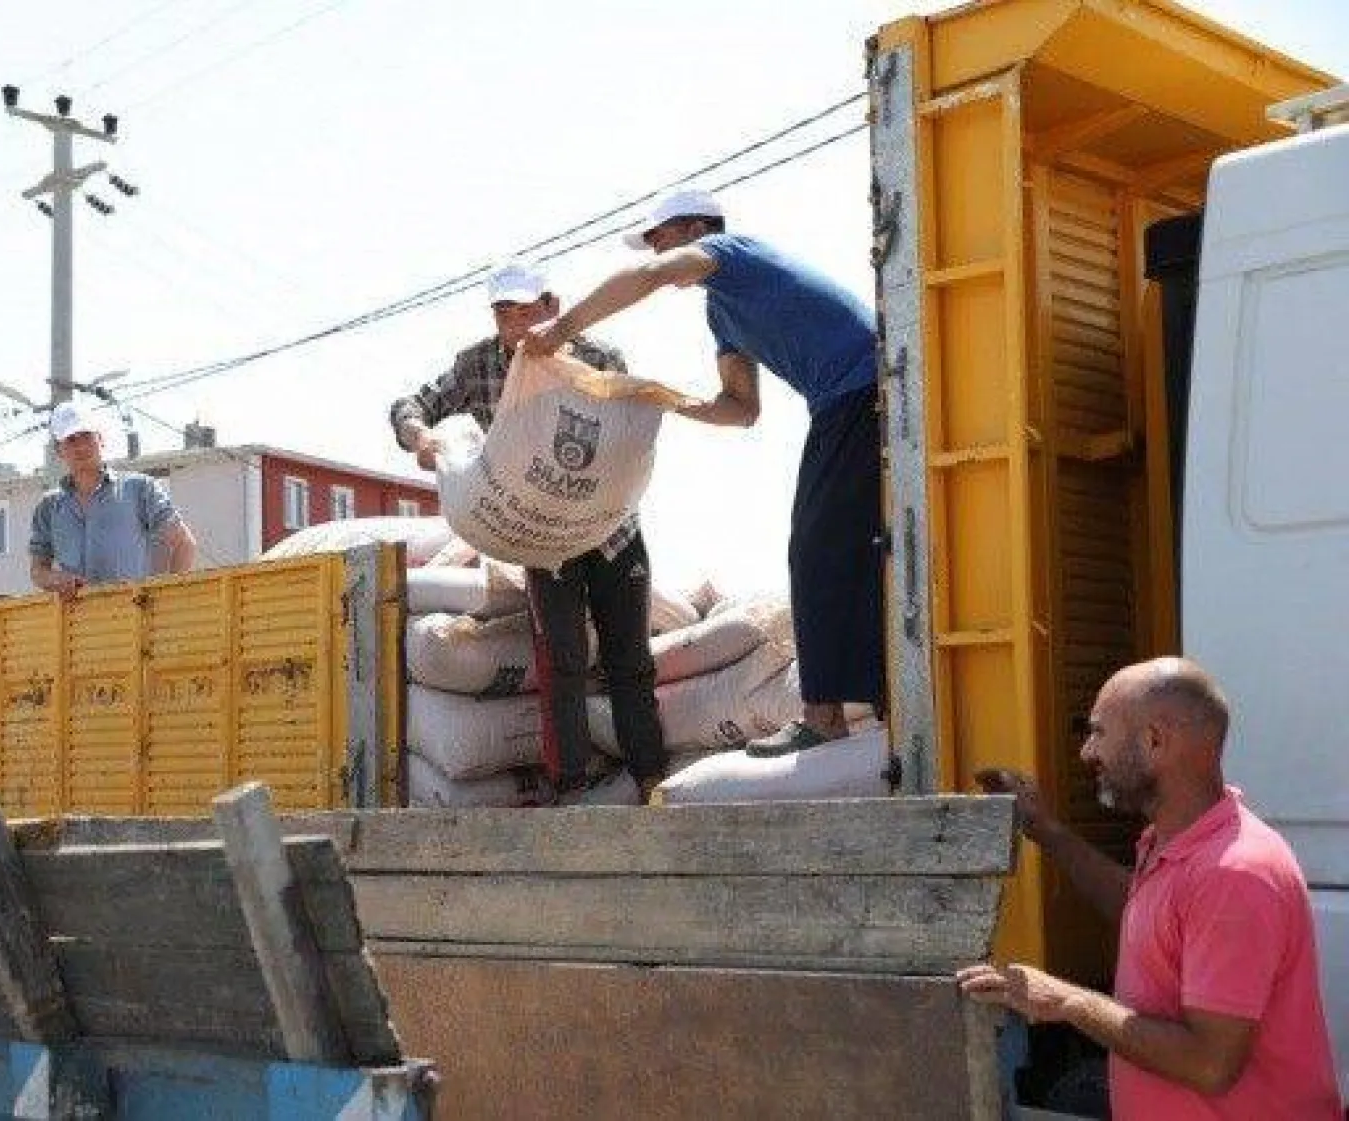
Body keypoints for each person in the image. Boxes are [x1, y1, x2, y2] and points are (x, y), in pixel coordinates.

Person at [525, 187, 881, 756]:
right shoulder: (721, 312)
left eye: (660, 236)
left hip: (863, 389)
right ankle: (878, 702)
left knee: (817, 551)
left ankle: (824, 715)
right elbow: (742, 408)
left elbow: (650, 276)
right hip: (845, 403)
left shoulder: (730, 251)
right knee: (860, 549)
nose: (657, 248)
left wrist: (564, 328)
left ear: (694, 228)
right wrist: (661, 399)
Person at [959, 657, 1342, 1119]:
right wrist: (1048, 831)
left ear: (1154, 741)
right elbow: (1150, 917)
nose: (1086, 753)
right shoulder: (1174, 843)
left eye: (1099, 733)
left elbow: (1210, 1063)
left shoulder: (1235, 873)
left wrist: (1067, 1002)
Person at [389, 261, 668, 801]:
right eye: (504, 311)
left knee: (628, 659)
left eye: (526, 309)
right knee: (561, 660)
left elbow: (629, 437)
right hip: (542, 536)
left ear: (552, 307)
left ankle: (651, 778)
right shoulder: (478, 366)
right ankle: (569, 786)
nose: (516, 322)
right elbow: (410, 404)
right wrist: (420, 436)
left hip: (608, 527)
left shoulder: (599, 359)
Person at [29, 400, 198, 595]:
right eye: (71, 440)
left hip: (133, 617)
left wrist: (168, 598)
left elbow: (183, 544)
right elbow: (37, 571)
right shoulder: (48, 508)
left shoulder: (140, 489)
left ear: (101, 440)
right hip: (76, 621)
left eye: (86, 436)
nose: (81, 446)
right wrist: (55, 579)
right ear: (59, 450)